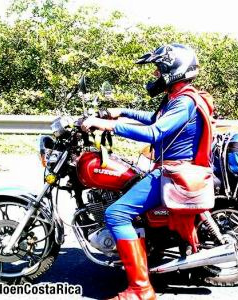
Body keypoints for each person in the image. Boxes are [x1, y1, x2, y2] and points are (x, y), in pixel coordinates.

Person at [81, 43, 214, 300]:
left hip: (172, 171)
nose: (154, 76)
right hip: (168, 167)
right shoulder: (177, 97)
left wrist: (108, 125)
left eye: (157, 70)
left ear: (172, 70)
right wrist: (119, 112)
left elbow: (155, 132)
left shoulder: (184, 101)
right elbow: (155, 118)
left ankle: (141, 290)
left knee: (116, 214)